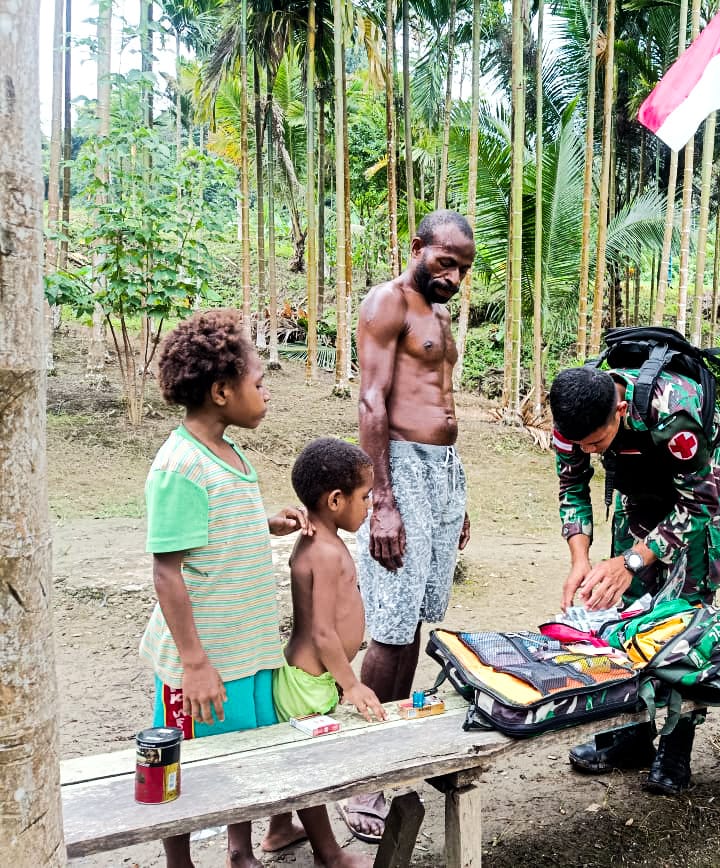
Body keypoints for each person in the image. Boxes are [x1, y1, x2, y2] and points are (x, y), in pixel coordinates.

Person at [140, 310, 311, 868]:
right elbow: (167, 570)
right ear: (221, 391)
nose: (266, 394)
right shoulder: (179, 467)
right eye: (258, 384)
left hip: (246, 648)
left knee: (243, 752)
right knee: (184, 765)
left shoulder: (229, 455)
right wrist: (193, 664)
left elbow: (211, 525)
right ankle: (180, 862)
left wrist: (263, 522)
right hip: (205, 659)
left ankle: (240, 851)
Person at [342, 209, 474, 843]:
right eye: (445, 261)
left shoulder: (440, 314)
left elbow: (440, 402)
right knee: (389, 626)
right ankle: (360, 773)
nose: (453, 276)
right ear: (417, 247)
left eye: (464, 269)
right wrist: (384, 499)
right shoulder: (385, 303)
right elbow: (372, 404)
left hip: (443, 473)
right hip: (400, 470)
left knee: (418, 618)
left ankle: (395, 742)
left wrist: (457, 495)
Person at [548, 362, 720, 795]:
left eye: (597, 442)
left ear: (621, 410)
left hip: (696, 499)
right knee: (626, 614)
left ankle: (675, 745)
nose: (589, 451)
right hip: (639, 498)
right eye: (581, 444)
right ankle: (633, 735)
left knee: (682, 624)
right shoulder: (570, 422)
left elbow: (700, 502)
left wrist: (630, 560)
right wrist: (580, 559)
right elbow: (571, 484)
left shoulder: (675, 411)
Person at [272, 437, 387, 868]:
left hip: (313, 678)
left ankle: (279, 828)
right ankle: (329, 854)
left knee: (294, 758)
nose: (370, 505)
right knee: (310, 768)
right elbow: (322, 633)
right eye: (364, 497)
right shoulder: (323, 550)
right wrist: (352, 683)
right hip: (307, 681)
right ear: (335, 500)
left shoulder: (326, 539)